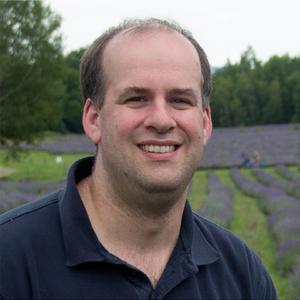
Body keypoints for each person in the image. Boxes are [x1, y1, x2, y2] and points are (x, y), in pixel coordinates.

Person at [0, 18, 277, 299]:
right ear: (94, 119)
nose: (161, 120)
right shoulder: (9, 260)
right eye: (136, 98)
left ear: (205, 123)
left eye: (180, 100)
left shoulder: (244, 276)